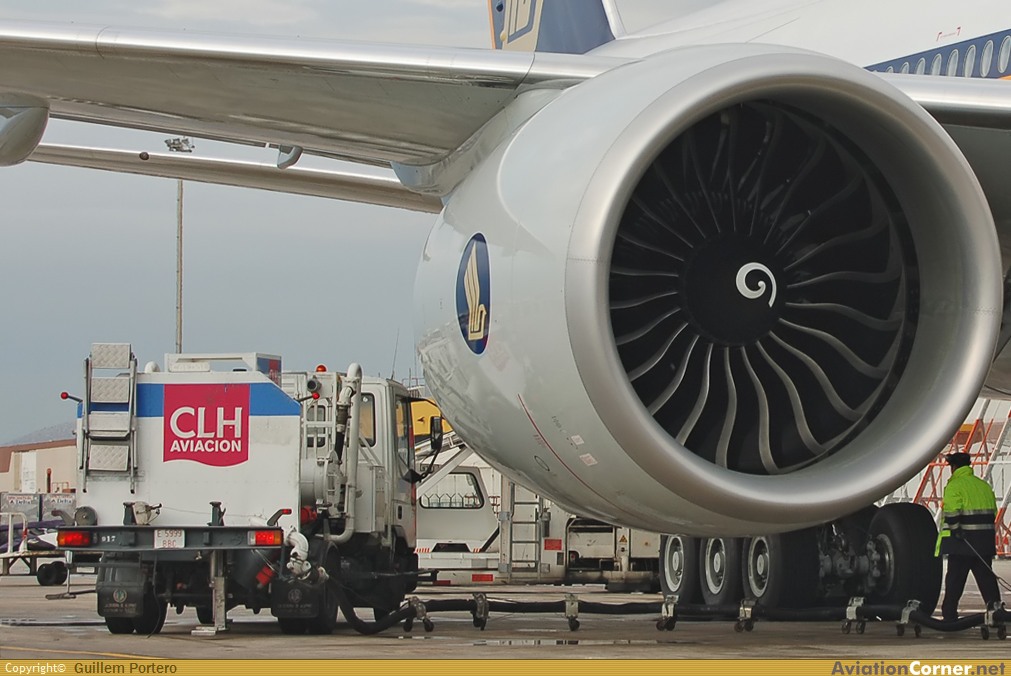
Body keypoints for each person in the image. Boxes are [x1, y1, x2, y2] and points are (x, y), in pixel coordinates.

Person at [935, 452, 1002, 621]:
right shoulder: (983, 486)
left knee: (955, 581)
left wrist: (956, 529)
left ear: (953, 467)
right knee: (987, 579)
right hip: (984, 543)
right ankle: (996, 611)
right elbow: (993, 512)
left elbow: (951, 512)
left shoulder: (954, 486)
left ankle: (949, 617)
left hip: (962, 543)